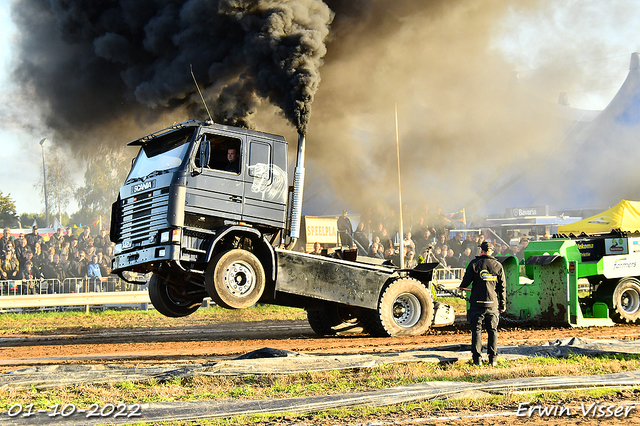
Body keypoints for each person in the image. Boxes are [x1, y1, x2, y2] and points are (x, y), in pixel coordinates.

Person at [458, 241, 506, 367]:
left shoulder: (474, 264)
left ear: (481, 251)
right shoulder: (498, 266)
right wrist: (502, 305)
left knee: (476, 331)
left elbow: (466, 281)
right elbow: (502, 288)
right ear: (492, 252)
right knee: (492, 331)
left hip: (477, 304)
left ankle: (477, 360)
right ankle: (493, 360)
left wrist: (462, 287)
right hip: (492, 304)